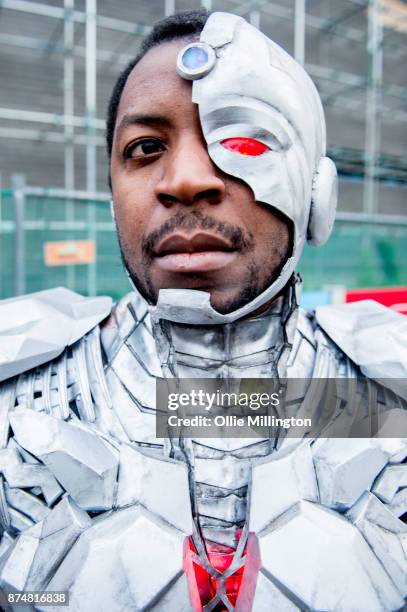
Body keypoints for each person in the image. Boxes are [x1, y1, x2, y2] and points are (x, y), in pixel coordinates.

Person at [0, 9, 406, 612]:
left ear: (318, 193)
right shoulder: (22, 395)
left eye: (242, 141)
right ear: (113, 193)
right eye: (144, 148)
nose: (186, 180)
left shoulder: (391, 386)